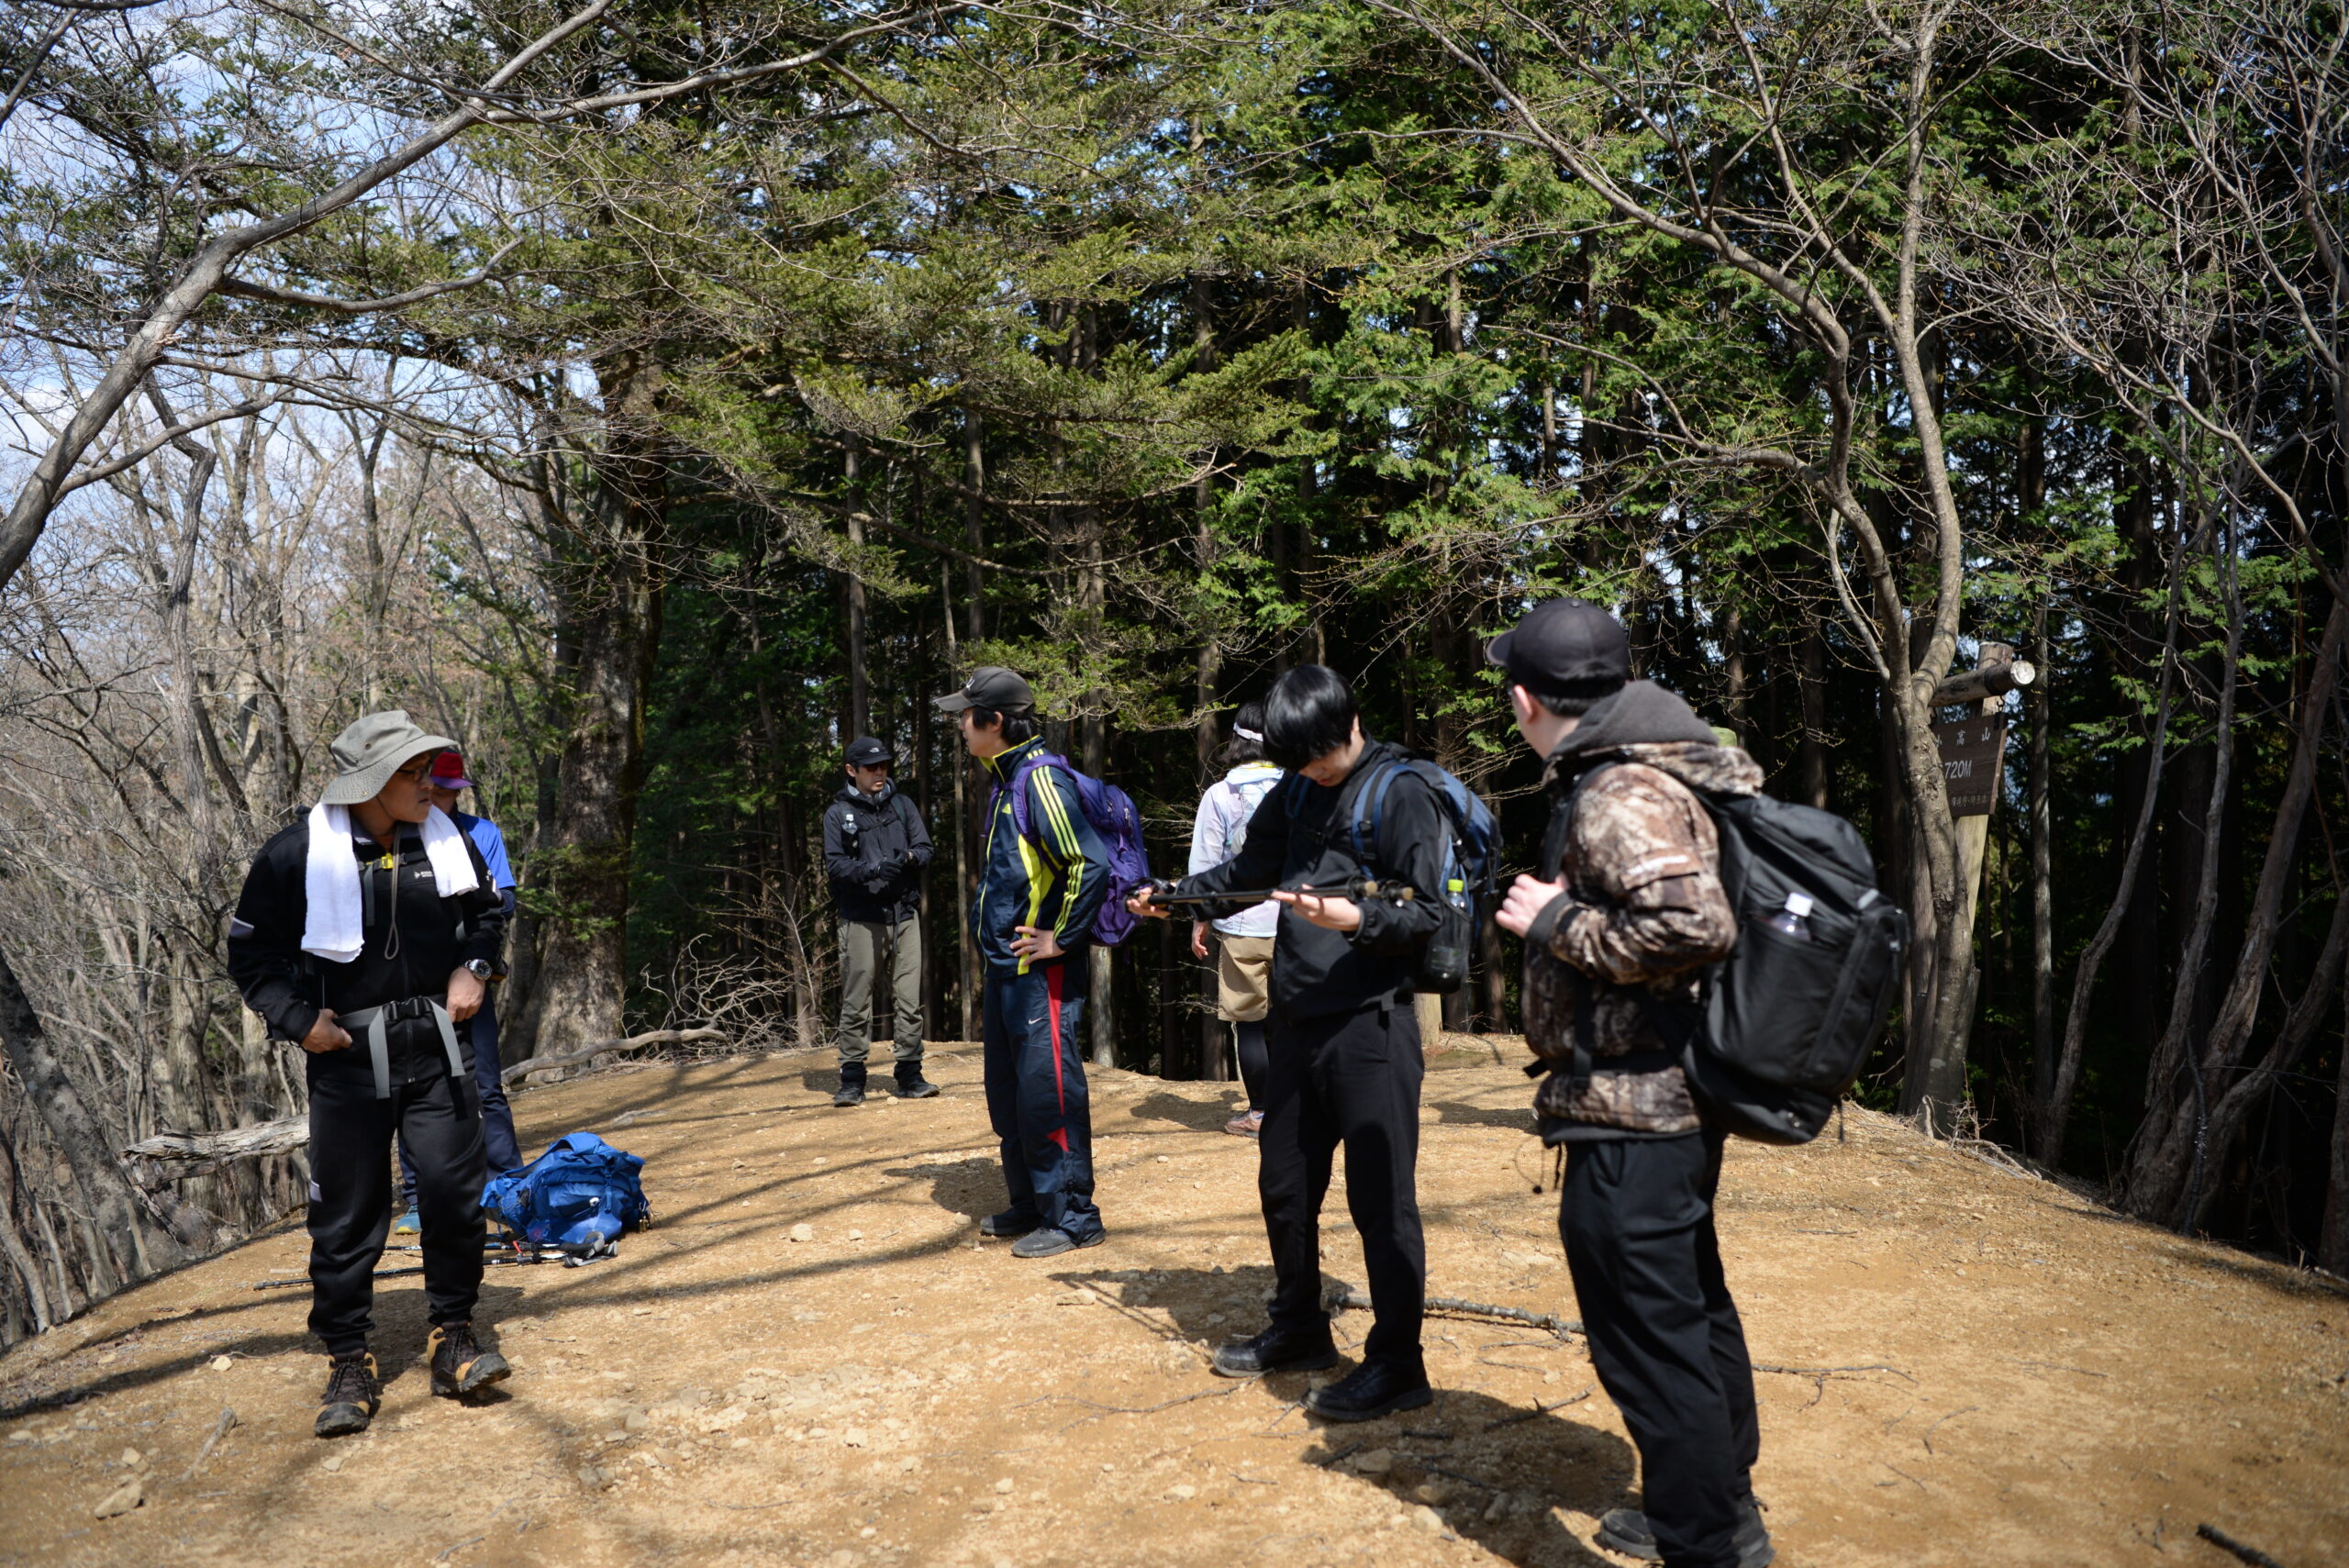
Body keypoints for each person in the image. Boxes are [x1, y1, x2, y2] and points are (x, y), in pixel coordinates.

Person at [1487, 598, 1773, 1568]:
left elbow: (1695, 924)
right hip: (1665, 1097)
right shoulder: (1656, 765)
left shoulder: (1617, 790)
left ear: (1526, 700)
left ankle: (1706, 1540)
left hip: (1633, 1111)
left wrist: (1554, 922)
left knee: (1650, 1345)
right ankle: (1722, 1502)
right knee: (1688, 1308)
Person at [1130, 665, 1449, 1422]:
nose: (1308, 772)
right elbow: (1249, 870)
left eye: (1316, 758)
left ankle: (1398, 1362)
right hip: (1298, 1020)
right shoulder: (1299, 787)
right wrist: (1178, 896)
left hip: (1372, 1023)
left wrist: (1356, 919)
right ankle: (1301, 1326)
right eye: (1295, 762)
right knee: (1285, 1182)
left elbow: (1429, 911)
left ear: (1349, 727)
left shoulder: (1401, 790)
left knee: (1381, 1200)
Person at [227, 711, 512, 1439]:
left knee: (452, 1192)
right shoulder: (295, 855)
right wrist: (300, 1021)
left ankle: (454, 1333)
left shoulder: (445, 842)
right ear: (370, 782)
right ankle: (349, 1358)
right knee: (349, 1212)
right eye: (413, 773)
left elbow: (487, 916)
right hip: (346, 1056)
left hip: (438, 1046)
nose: (431, 784)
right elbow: (250, 957)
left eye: (429, 770)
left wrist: (475, 967)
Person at [933, 667, 1110, 1260]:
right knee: (1009, 1094)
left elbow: (1089, 861)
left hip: (1042, 973)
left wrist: (1062, 937)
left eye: (966, 715)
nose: (960, 725)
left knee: (1048, 1093)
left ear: (994, 721)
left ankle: (1074, 1216)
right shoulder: (1006, 780)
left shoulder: (1039, 780)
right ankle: (1033, 1202)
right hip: (1006, 970)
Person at [394, 749, 519, 1233]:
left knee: (485, 1084)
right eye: (438, 787)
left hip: (469, 975)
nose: (443, 797)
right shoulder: (398, 835)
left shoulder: (481, 833)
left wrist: (470, 946)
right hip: (409, 984)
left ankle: (508, 1186)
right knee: (410, 1088)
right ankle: (418, 1198)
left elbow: (503, 900)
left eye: (452, 790)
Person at [823, 736, 938, 1106]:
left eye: (884, 765)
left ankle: (910, 1074)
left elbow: (925, 848)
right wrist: (872, 869)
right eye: (871, 767)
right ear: (851, 770)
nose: (879, 772)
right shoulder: (838, 814)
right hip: (860, 918)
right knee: (857, 1001)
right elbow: (835, 865)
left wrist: (908, 858)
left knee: (909, 1000)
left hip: (904, 915)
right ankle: (852, 1078)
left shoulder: (902, 805)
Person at [1186, 701, 1283, 1137]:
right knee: (1295, 1019)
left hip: (1243, 923)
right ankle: (1301, 1108)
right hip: (1300, 922)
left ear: (1236, 740)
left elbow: (1205, 864)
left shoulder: (1220, 795)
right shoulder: (1298, 787)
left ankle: (1261, 1114)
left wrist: (1200, 916)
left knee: (1250, 1023)